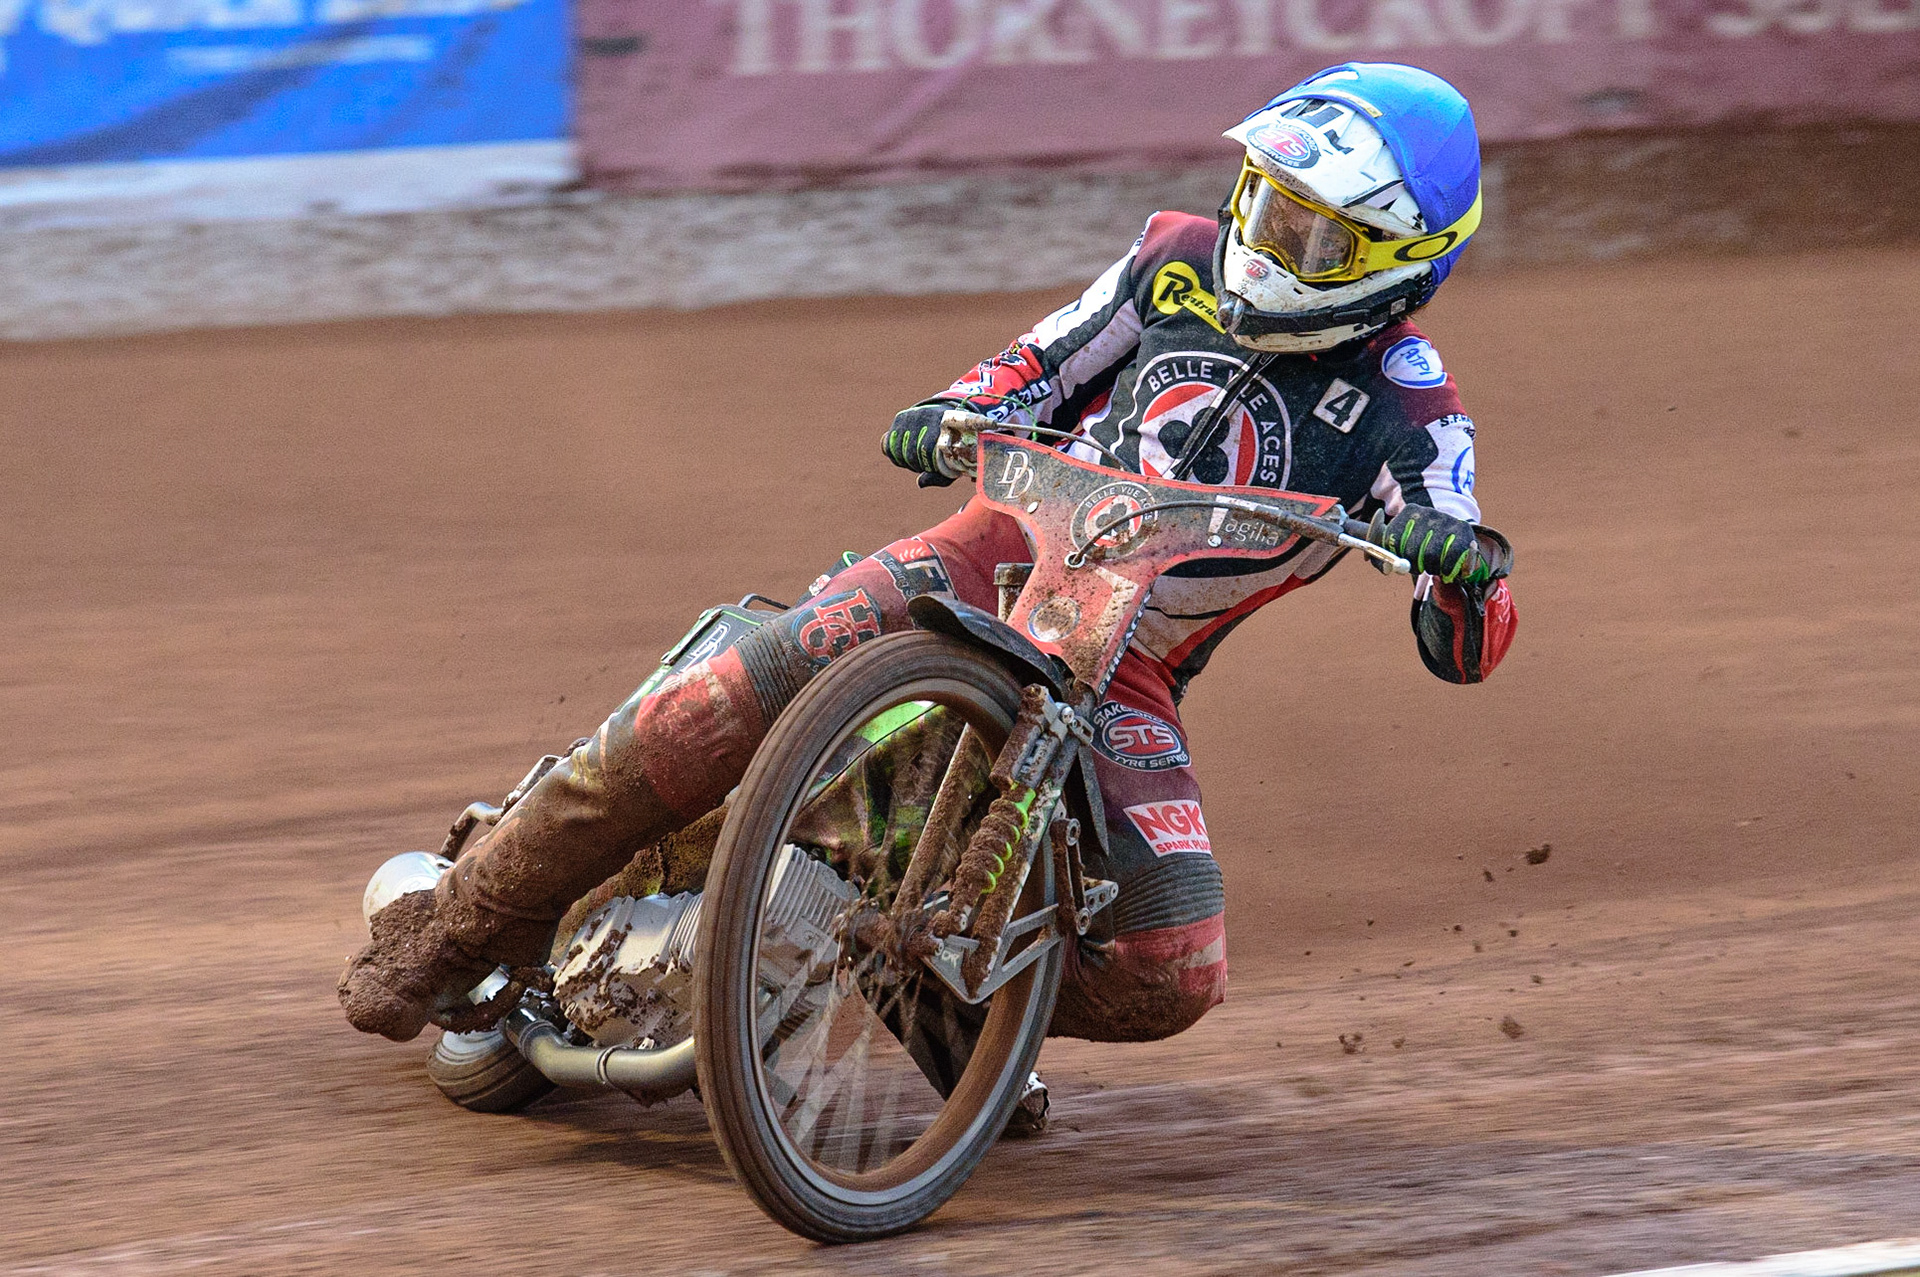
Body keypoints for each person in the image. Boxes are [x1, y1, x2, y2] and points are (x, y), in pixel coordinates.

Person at [339, 61, 1517, 1052]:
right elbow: (1041, 359)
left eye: (1313, 234)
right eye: (1265, 204)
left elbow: (1468, 624)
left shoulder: (1417, 418)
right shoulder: (1176, 257)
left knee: (1174, 970)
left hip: (1132, 660)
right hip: (992, 544)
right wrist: (949, 408)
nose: (1267, 243)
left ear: (1399, 264)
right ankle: (452, 924)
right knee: (724, 702)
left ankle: (929, 981)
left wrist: (1459, 575)